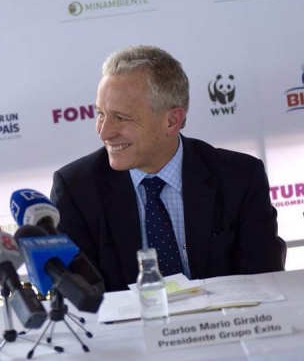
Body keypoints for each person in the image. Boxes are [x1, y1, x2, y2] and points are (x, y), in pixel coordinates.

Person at [51, 45, 285, 293]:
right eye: (100, 114)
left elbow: (264, 281)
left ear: (171, 120)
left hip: (222, 327)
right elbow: (79, 298)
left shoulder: (239, 177)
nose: (104, 131)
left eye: (121, 117)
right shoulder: (76, 189)